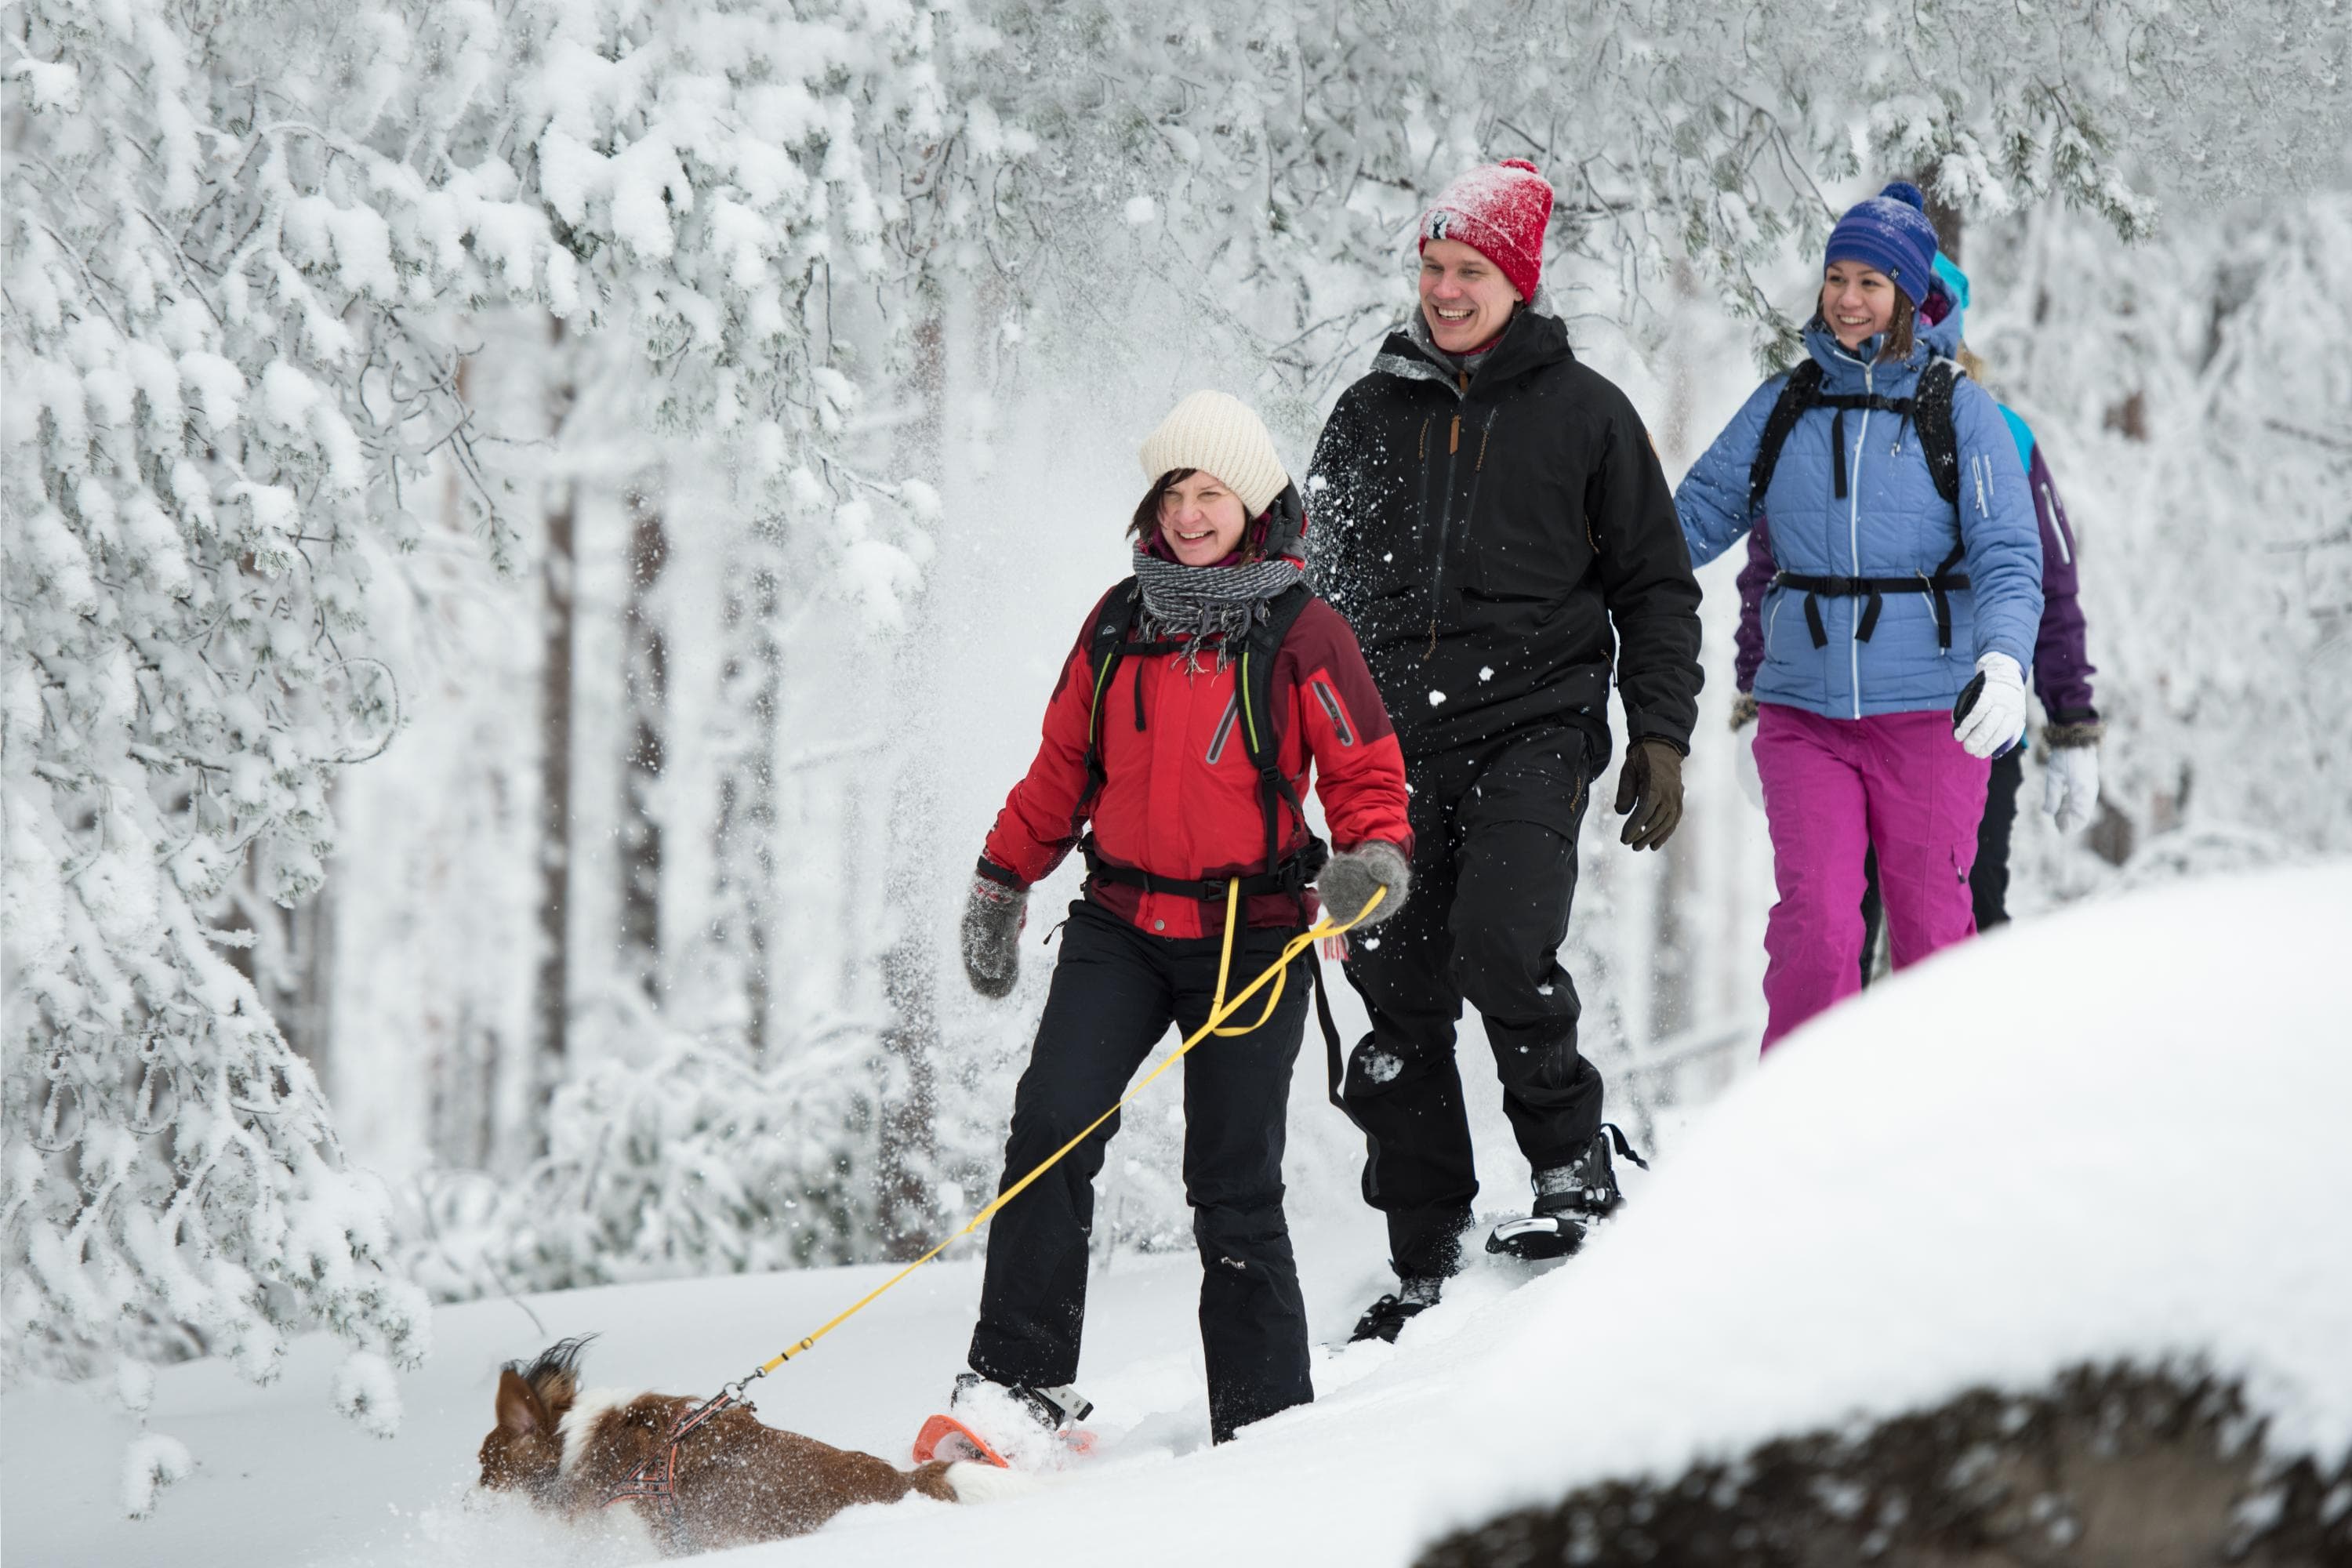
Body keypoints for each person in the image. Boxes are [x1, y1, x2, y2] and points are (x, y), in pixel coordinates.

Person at [956, 390, 1414, 1445]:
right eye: (1173, 492)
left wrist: (1362, 871)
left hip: (1251, 936)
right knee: (1049, 1133)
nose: (1190, 512)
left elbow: (1367, 778)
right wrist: (1001, 879)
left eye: (1211, 492)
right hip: (1118, 927)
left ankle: (1259, 1425)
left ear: (1253, 502)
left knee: (1232, 1183)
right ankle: (1016, 1390)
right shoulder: (1120, 619)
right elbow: (1063, 770)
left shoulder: (1304, 631)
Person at [1307, 159, 1704, 1342]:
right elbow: (1310, 590)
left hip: (1537, 720)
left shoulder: (1586, 413)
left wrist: (1662, 732)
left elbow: (1656, 584)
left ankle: (1572, 1160)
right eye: (1431, 269)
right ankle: (1424, 1236)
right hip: (1386, 740)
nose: (1442, 291)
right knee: (1394, 974)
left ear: (1517, 279)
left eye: (1467, 271)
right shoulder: (1373, 411)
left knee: (1498, 940)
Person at [1676, 182, 2042, 1052]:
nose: (1847, 298)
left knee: (1929, 934)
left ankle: (1934, 1130)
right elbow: (1685, 522)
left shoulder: (1961, 410)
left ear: (1909, 296)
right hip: (1805, 716)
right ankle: (1797, 1135)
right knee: (1818, 927)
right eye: (1837, 276)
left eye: (1872, 281)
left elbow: (2008, 555)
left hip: (1928, 717)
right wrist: (1577, 549)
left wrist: (2004, 661)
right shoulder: (1784, 404)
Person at [1724, 254, 2103, 982]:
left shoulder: (1995, 429)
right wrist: (1752, 696)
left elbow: (2044, 578)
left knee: (1964, 914)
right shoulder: (1812, 415)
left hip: (1964, 716)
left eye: (1922, 304)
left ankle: (1968, 1087)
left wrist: (2072, 719)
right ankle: (1855, 1089)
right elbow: (1773, 565)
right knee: (1834, 920)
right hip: (1827, 711)